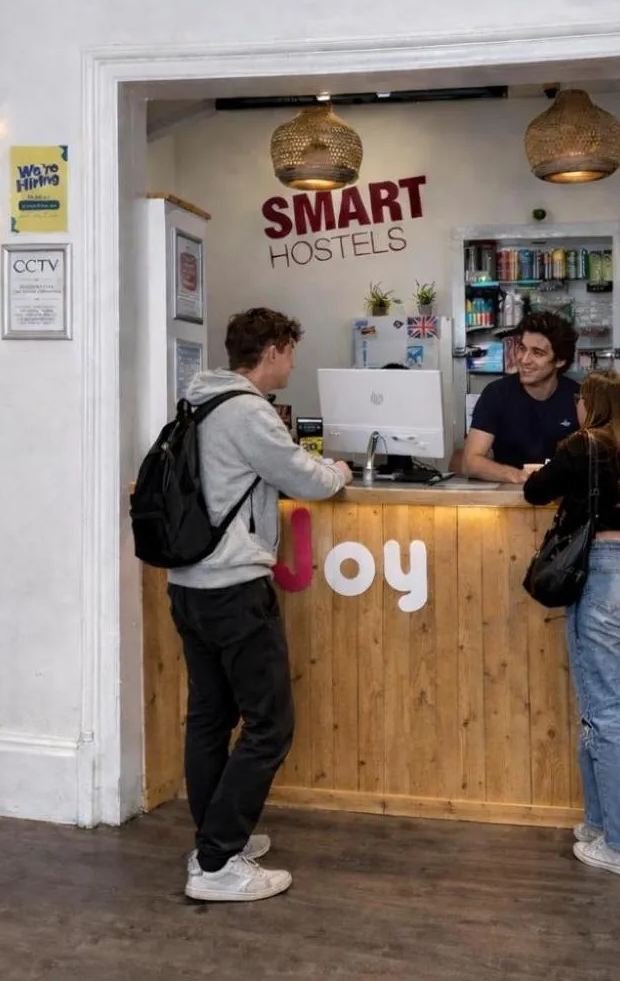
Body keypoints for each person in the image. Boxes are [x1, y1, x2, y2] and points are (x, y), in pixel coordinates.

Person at [168, 307, 353, 902]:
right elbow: (310, 479)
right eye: (290, 352)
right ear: (271, 351)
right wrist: (340, 469)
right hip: (233, 587)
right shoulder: (247, 411)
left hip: (189, 584)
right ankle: (216, 864)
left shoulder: (198, 400)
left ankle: (215, 838)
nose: (293, 363)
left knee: (211, 718)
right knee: (271, 725)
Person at [523, 371, 620, 878]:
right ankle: (600, 824)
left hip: (602, 580)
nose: (577, 405)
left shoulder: (584, 446)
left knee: (603, 715)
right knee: (599, 707)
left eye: (581, 399)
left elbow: (535, 490)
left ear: (592, 405)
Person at [461, 311, 580, 484]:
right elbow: (470, 462)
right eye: (522, 348)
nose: (524, 359)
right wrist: (519, 476)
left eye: (537, 353)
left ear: (560, 361)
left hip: (563, 500)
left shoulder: (578, 398)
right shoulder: (496, 394)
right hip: (507, 499)